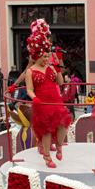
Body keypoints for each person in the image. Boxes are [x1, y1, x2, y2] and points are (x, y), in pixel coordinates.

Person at [25, 30, 72, 168]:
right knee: (46, 130)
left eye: (47, 56)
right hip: (42, 103)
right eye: (44, 57)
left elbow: (61, 83)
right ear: (36, 56)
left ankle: (59, 146)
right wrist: (34, 98)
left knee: (64, 123)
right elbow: (29, 90)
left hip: (55, 101)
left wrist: (57, 69)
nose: (46, 59)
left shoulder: (50, 67)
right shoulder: (30, 71)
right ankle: (47, 156)